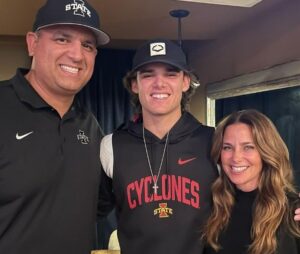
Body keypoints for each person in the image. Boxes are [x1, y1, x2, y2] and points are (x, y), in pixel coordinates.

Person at [0, 0, 109, 253]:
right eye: (62, 39)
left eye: (87, 45)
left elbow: (98, 204)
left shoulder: (89, 124)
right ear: (32, 43)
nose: (76, 54)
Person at [99, 38, 218, 253]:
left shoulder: (214, 141)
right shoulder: (111, 146)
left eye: (170, 74)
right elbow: (86, 210)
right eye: (148, 75)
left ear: (185, 82)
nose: (159, 83)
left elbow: (254, 195)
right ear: (134, 84)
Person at [202, 109, 300, 254]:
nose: (236, 157)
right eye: (227, 147)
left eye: (248, 147)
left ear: (266, 151)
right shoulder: (214, 205)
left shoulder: (293, 210)